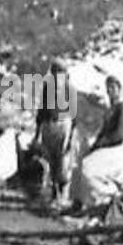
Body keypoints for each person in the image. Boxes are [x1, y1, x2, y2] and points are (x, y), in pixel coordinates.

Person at [71, 76, 123, 211]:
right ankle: (78, 203)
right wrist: (94, 147)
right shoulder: (111, 109)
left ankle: (103, 200)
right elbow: (103, 133)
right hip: (110, 147)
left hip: (121, 148)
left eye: (113, 87)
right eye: (108, 87)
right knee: (80, 163)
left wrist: (101, 144)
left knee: (89, 168)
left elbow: (119, 135)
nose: (110, 91)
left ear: (120, 89)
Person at [31, 59, 77, 205]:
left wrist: (70, 137)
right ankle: (53, 193)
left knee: (62, 160)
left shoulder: (70, 90)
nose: (58, 76)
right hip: (49, 125)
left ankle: (63, 194)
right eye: (56, 73)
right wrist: (38, 132)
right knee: (50, 160)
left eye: (61, 73)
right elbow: (41, 111)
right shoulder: (47, 88)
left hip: (63, 125)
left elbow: (73, 115)